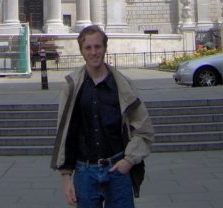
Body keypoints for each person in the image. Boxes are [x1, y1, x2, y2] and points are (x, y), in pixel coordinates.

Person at [51, 25, 154, 207]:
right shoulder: (72, 87)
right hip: (85, 173)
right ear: (81, 51)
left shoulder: (123, 86)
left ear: (105, 48)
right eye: (88, 48)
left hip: (118, 170)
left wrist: (128, 161)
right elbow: (65, 133)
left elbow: (143, 128)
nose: (93, 52)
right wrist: (66, 176)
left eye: (98, 47)